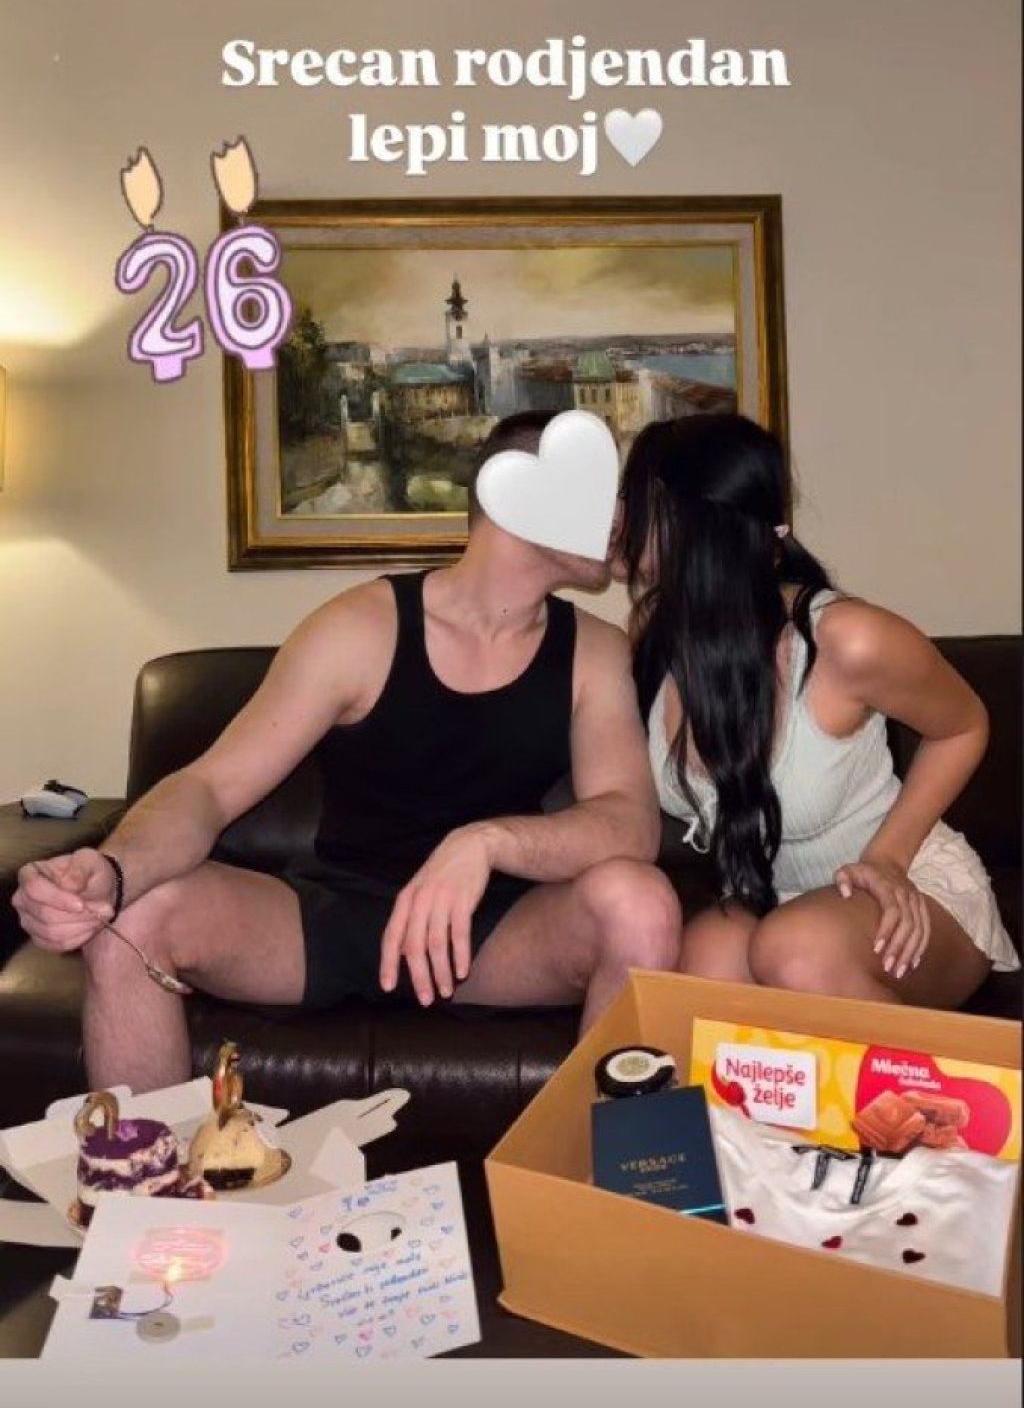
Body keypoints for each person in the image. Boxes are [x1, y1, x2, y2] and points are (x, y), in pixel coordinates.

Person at [13, 413, 681, 1094]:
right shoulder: (360, 628)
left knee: (641, 904)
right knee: (133, 915)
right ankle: (144, 1163)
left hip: (495, 932)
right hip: (329, 916)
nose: (621, 515)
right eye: (601, 488)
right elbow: (210, 788)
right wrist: (114, 869)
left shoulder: (595, 651)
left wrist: (484, 843)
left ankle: (613, 1161)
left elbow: (629, 824)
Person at [613, 413, 1019, 1007]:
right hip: (774, 902)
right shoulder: (657, 633)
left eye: (634, 499)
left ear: (687, 521)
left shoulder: (845, 638)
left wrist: (888, 858)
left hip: (908, 890)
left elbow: (964, 726)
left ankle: (927, 1073)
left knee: (794, 950)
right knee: (706, 965)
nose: (619, 514)